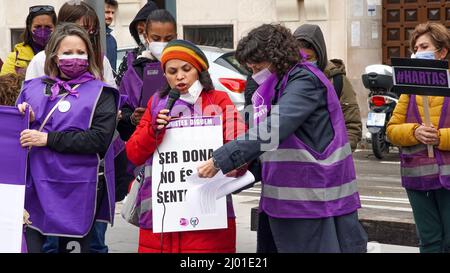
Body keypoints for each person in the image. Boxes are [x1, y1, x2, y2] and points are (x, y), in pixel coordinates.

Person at [197, 24, 368, 253]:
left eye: (258, 65)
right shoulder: (273, 85)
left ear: (276, 58)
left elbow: (274, 127)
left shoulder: (304, 80)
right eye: (250, 66)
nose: (254, 71)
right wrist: (239, 167)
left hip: (312, 201)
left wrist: (221, 159)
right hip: (285, 201)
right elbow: (260, 135)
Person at [125, 40, 245, 253]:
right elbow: (134, 153)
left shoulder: (219, 100)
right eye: (172, 71)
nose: (179, 76)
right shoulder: (156, 103)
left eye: (186, 69)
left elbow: (240, 148)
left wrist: (219, 162)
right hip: (160, 219)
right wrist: (153, 130)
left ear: (198, 70)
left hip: (207, 216)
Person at [16, 23, 118, 253]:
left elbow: (99, 140)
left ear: (90, 55)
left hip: (77, 191)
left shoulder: (103, 93)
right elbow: (16, 138)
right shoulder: (31, 88)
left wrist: (47, 139)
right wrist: (24, 118)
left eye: (81, 52)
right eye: (68, 52)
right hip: (35, 190)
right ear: (54, 55)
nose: (75, 58)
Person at [386, 22, 450, 253]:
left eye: (424, 46)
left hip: (447, 180)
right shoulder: (408, 89)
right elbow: (392, 130)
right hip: (418, 181)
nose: (417, 52)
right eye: (415, 47)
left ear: (441, 52)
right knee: (430, 242)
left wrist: (439, 137)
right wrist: (415, 132)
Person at [293, 24, 362, 152]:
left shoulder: (337, 80)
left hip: (329, 160)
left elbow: (352, 124)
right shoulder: (285, 80)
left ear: (319, 55)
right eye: (299, 59)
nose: (303, 63)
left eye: (308, 58)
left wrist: (341, 153)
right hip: (296, 160)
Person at [25, 1, 116, 88]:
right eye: (83, 28)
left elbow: (111, 96)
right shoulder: (40, 60)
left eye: (92, 30)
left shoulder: (101, 60)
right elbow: (30, 96)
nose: (88, 35)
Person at [118, 9, 177, 141]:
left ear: (176, 37)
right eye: (156, 39)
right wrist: (133, 118)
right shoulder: (134, 71)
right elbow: (123, 110)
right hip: (145, 144)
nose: (162, 43)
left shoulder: (187, 68)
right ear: (146, 37)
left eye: (168, 39)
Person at [0, 5, 56, 76]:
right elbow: (4, 85)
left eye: (48, 27)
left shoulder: (63, 54)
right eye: (37, 27)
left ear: (55, 28)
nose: (42, 31)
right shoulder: (15, 58)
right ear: (29, 28)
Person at [115, 0, 158, 86]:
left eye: (148, 29)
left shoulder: (169, 56)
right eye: (140, 31)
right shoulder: (130, 58)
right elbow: (121, 87)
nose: (145, 35)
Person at [105, 0, 119, 71]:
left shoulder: (112, 40)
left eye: (112, 13)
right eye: (107, 12)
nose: (110, 16)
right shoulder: (91, 38)